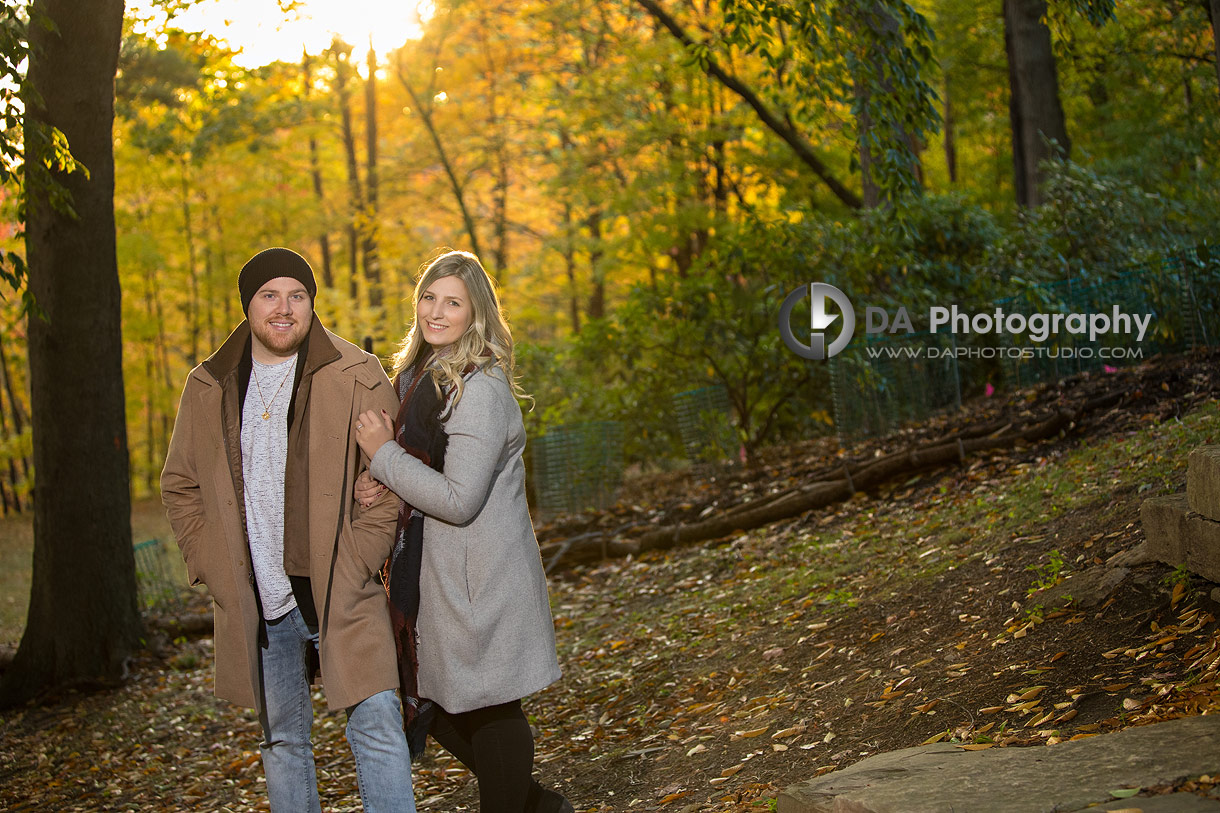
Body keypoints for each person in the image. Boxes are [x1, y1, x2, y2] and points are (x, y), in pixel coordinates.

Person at [161, 247, 417, 813]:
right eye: (269, 296)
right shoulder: (209, 385)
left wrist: (354, 562)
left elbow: (391, 476)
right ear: (247, 305)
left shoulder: (356, 373)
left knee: (376, 727)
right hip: (258, 601)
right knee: (281, 744)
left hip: (340, 588)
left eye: (297, 296)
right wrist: (213, 566)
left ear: (311, 304)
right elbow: (180, 484)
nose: (284, 309)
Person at [353, 249, 573, 813]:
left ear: (476, 312)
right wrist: (375, 479)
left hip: (481, 579)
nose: (436, 311)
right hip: (440, 578)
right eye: (428, 297)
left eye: (453, 301)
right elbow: (415, 467)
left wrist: (383, 458)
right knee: (442, 704)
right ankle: (540, 807)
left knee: (493, 707)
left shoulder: (479, 388)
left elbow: (457, 498)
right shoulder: (418, 377)